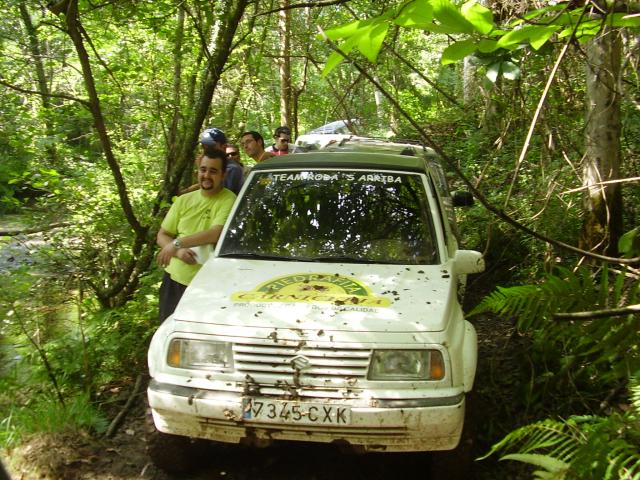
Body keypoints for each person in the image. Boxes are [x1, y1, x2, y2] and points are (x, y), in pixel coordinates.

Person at [156, 148, 236, 322]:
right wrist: (177, 251)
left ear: (223, 175)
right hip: (174, 280)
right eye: (203, 169)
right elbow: (162, 235)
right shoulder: (184, 200)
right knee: (168, 331)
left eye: (213, 171)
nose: (206, 175)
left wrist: (177, 244)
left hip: (207, 284)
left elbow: (216, 233)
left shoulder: (229, 199)